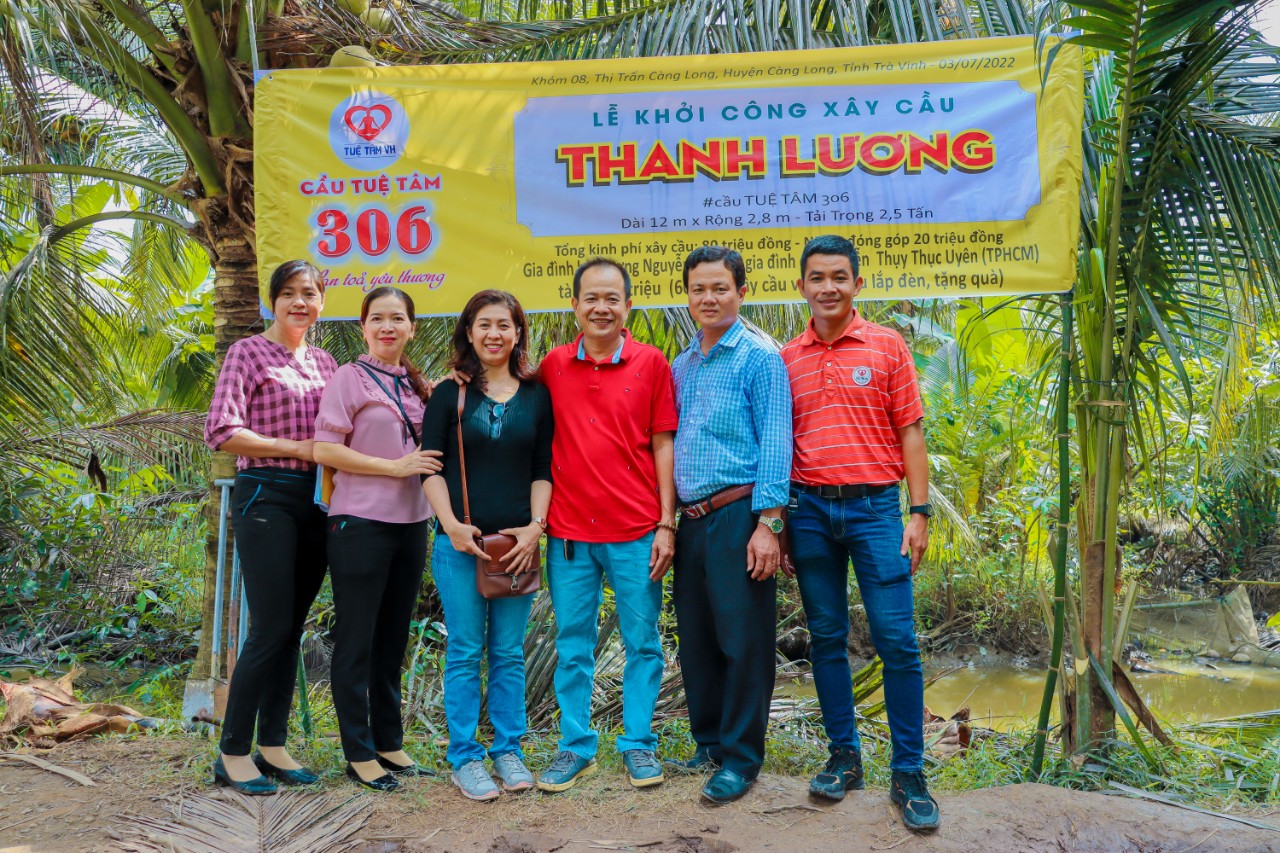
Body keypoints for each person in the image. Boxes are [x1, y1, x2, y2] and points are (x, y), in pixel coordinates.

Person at [781, 235, 938, 831]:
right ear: (801, 286)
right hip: (809, 513)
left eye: (839, 277)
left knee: (897, 640)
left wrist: (918, 512)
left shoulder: (887, 345)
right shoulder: (786, 357)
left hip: (876, 512)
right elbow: (781, 445)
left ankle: (909, 772)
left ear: (857, 284)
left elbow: (911, 433)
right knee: (826, 637)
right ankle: (844, 757)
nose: (829, 287)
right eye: (817, 278)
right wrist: (781, 522)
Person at [534, 258, 679, 793]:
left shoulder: (651, 363)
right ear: (574, 305)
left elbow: (663, 444)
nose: (601, 308)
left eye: (612, 298)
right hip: (569, 535)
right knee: (573, 643)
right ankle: (575, 747)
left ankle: (638, 743)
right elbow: (504, 393)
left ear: (627, 306)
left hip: (637, 531)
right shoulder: (553, 366)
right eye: (591, 298)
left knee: (643, 642)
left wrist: (666, 523)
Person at [203, 259, 336, 795]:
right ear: (272, 301)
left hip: (318, 500)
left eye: (310, 293)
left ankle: (274, 745)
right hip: (265, 493)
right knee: (269, 627)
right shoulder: (248, 353)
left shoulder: (327, 363)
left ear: (322, 302)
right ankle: (232, 752)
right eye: (289, 293)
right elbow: (221, 430)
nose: (300, 302)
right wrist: (296, 448)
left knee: (291, 628)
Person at [666, 247, 792, 804]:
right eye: (698, 289)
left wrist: (769, 523)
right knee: (697, 638)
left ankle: (741, 758)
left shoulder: (760, 357)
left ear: (741, 292)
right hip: (691, 520)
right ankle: (710, 742)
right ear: (687, 295)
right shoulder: (683, 363)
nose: (708, 298)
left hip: (741, 515)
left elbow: (777, 441)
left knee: (744, 640)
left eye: (720, 288)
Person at [420, 290, 554, 801]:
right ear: (469, 332)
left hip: (515, 548)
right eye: (484, 325)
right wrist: (452, 525)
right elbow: (431, 467)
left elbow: (542, 469)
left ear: (518, 333)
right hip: (459, 546)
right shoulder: (448, 393)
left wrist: (535, 528)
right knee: (464, 650)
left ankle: (508, 750)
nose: (494, 334)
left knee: (508, 652)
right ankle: (465, 757)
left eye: (504, 325)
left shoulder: (537, 394)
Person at [313, 287, 442, 792]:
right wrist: (394, 467)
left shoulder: (416, 384)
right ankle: (359, 752)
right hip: (360, 523)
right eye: (378, 319)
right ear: (363, 327)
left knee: (392, 639)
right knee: (357, 640)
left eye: (398, 318)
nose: (388, 327)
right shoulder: (349, 377)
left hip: (411, 524)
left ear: (412, 327)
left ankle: (390, 742)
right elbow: (326, 449)